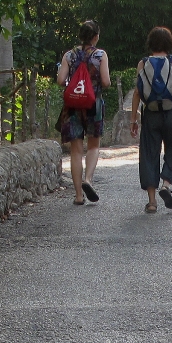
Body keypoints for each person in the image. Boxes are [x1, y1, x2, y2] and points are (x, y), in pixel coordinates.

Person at [130, 27, 172, 213]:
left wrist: (133, 119)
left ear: (150, 43)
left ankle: (152, 202)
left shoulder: (143, 63)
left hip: (150, 114)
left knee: (149, 154)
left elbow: (137, 92)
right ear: (170, 43)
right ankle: (166, 184)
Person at [57, 20, 111, 205]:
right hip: (93, 103)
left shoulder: (69, 55)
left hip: (72, 106)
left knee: (76, 151)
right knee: (94, 145)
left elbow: (60, 80)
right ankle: (88, 179)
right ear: (96, 37)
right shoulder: (100, 55)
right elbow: (105, 81)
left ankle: (79, 195)